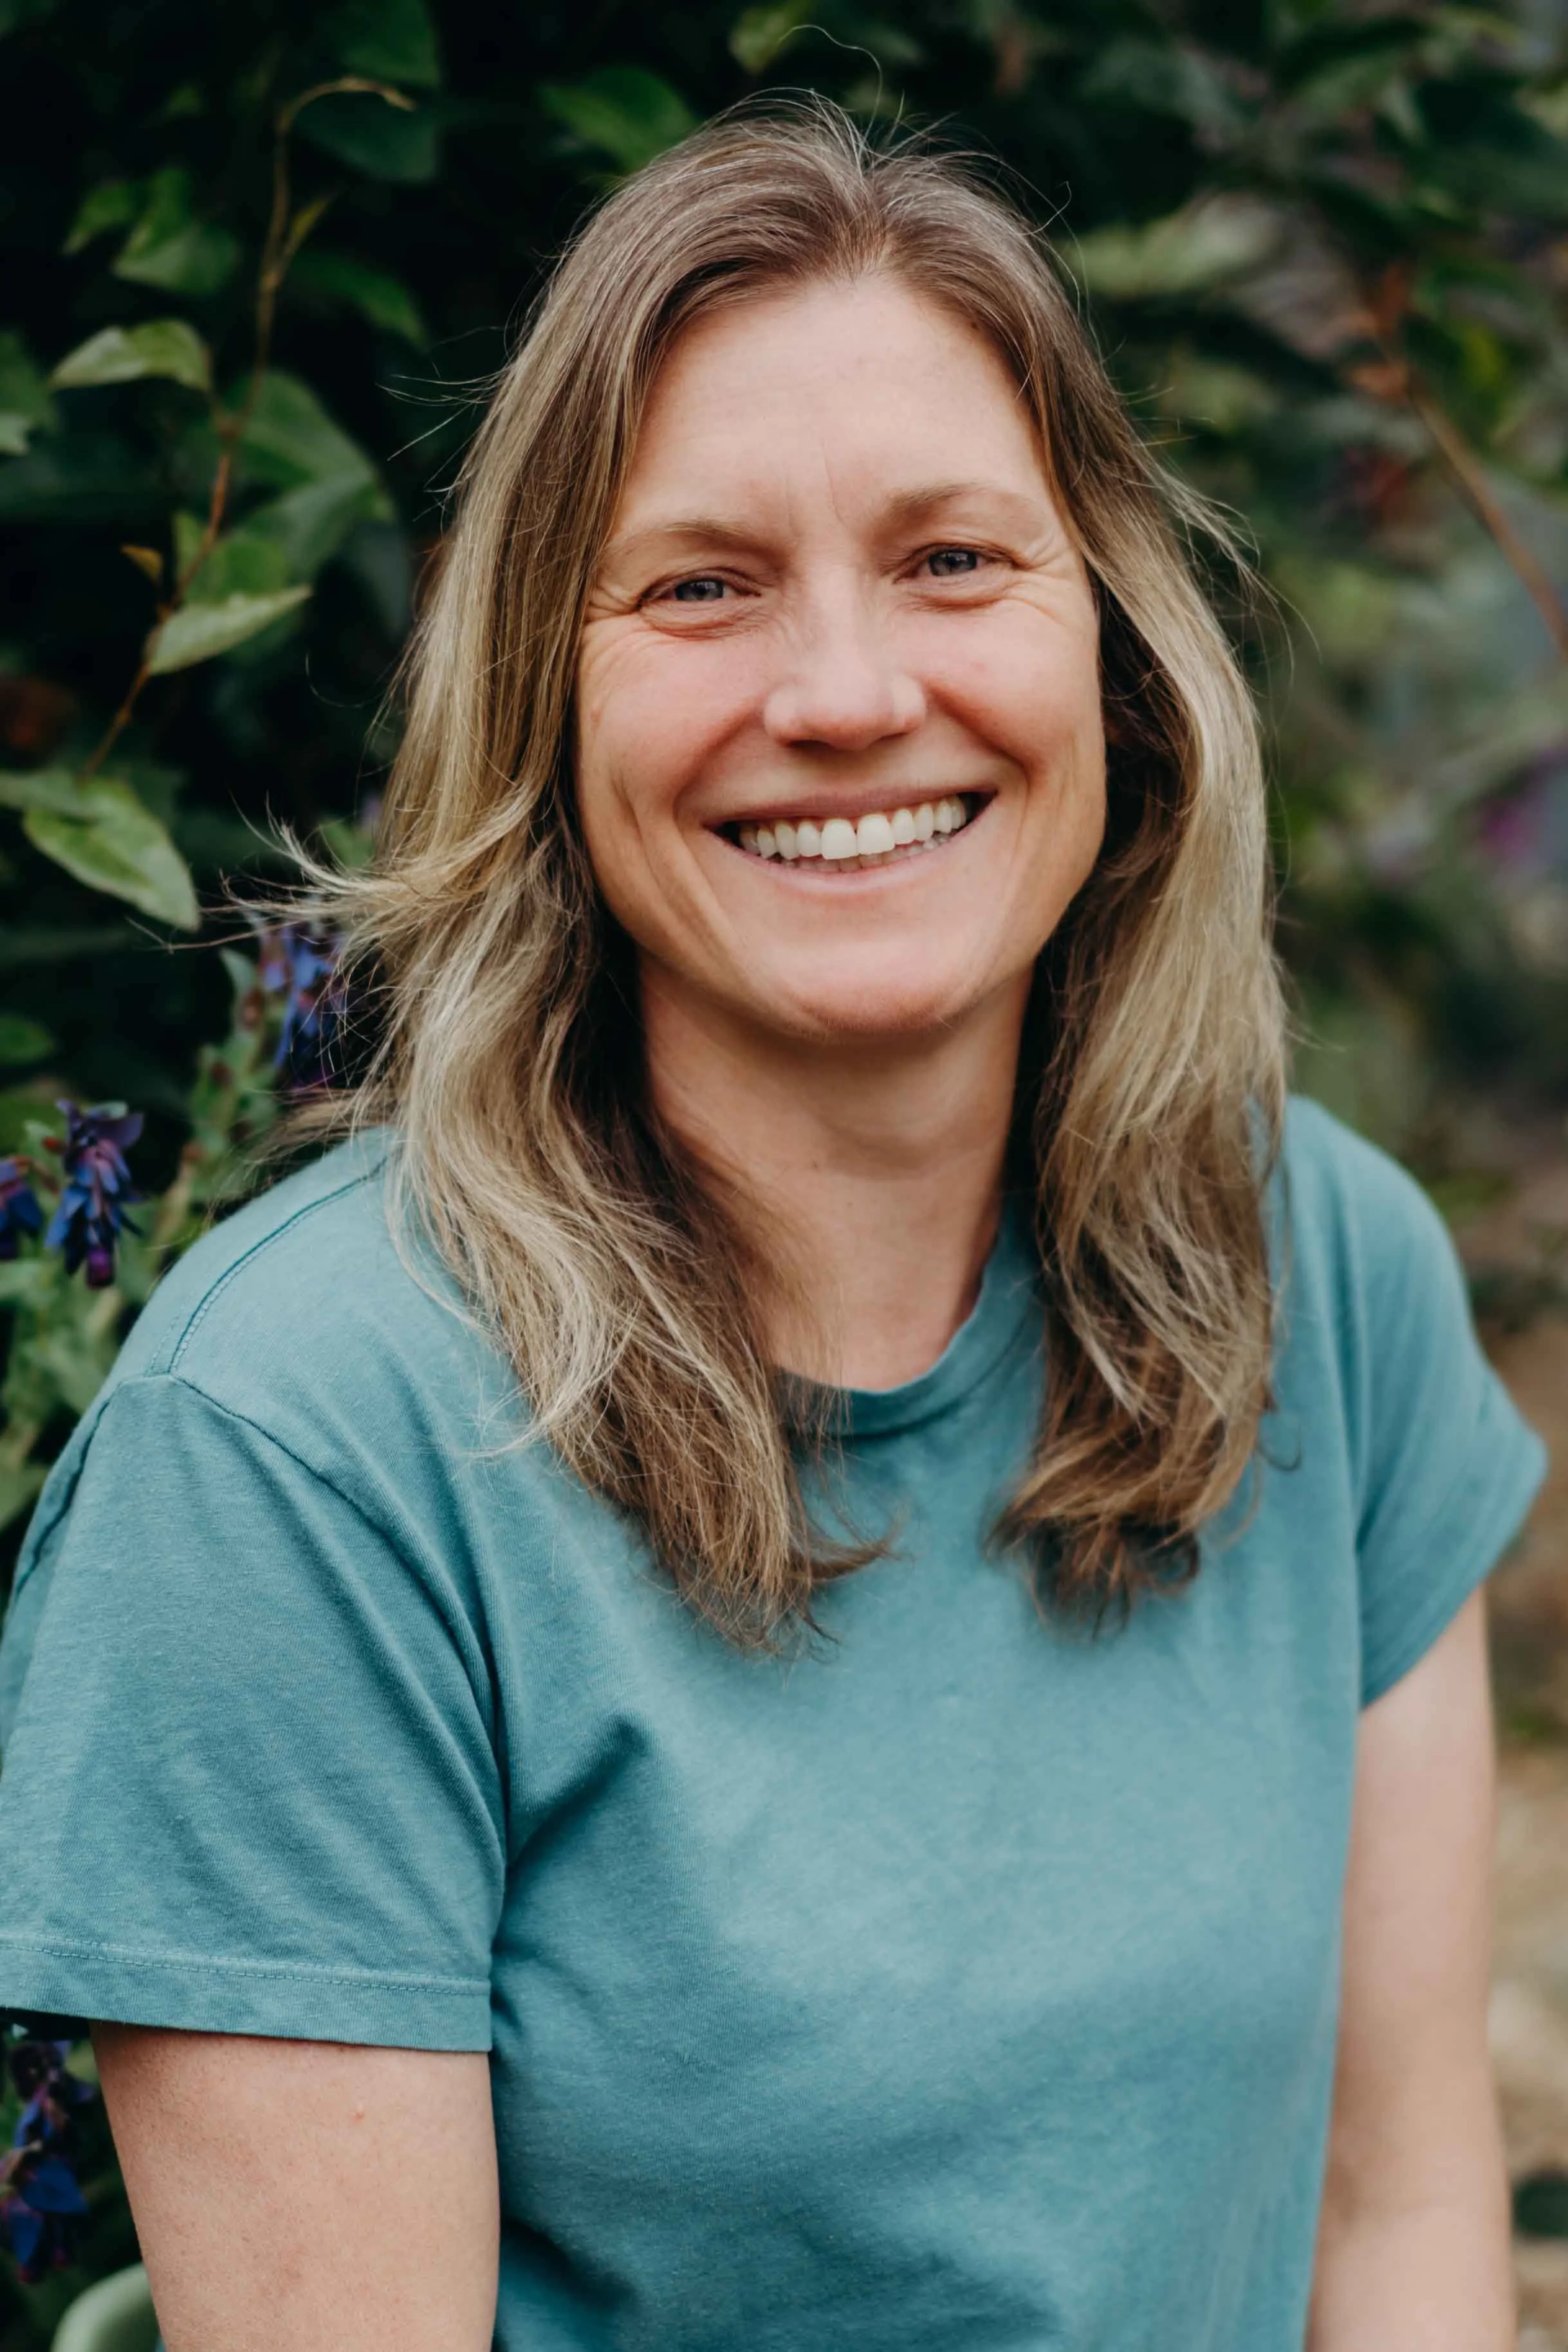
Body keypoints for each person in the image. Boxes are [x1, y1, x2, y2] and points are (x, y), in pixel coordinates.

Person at [0, 100, 1546, 2352]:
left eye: (952, 559)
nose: (841, 696)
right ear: (546, 694)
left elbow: (1394, 2224)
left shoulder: (1328, 1270)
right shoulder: (299, 1455)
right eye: (700, 585)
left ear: (1115, 651)